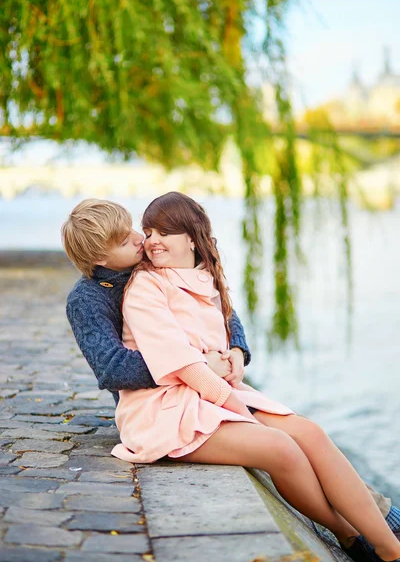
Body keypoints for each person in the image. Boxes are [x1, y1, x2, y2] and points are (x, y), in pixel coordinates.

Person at [62, 196, 400, 562]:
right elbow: (114, 367)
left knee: (310, 434)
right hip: (165, 403)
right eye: (127, 236)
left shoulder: (160, 262)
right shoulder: (99, 295)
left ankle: (384, 530)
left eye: (138, 228)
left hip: (203, 386)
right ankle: (357, 537)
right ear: (100, 257)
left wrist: (235, 350)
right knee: (281, 445)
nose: (140, 237)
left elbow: (221, 312)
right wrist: (199, 364)